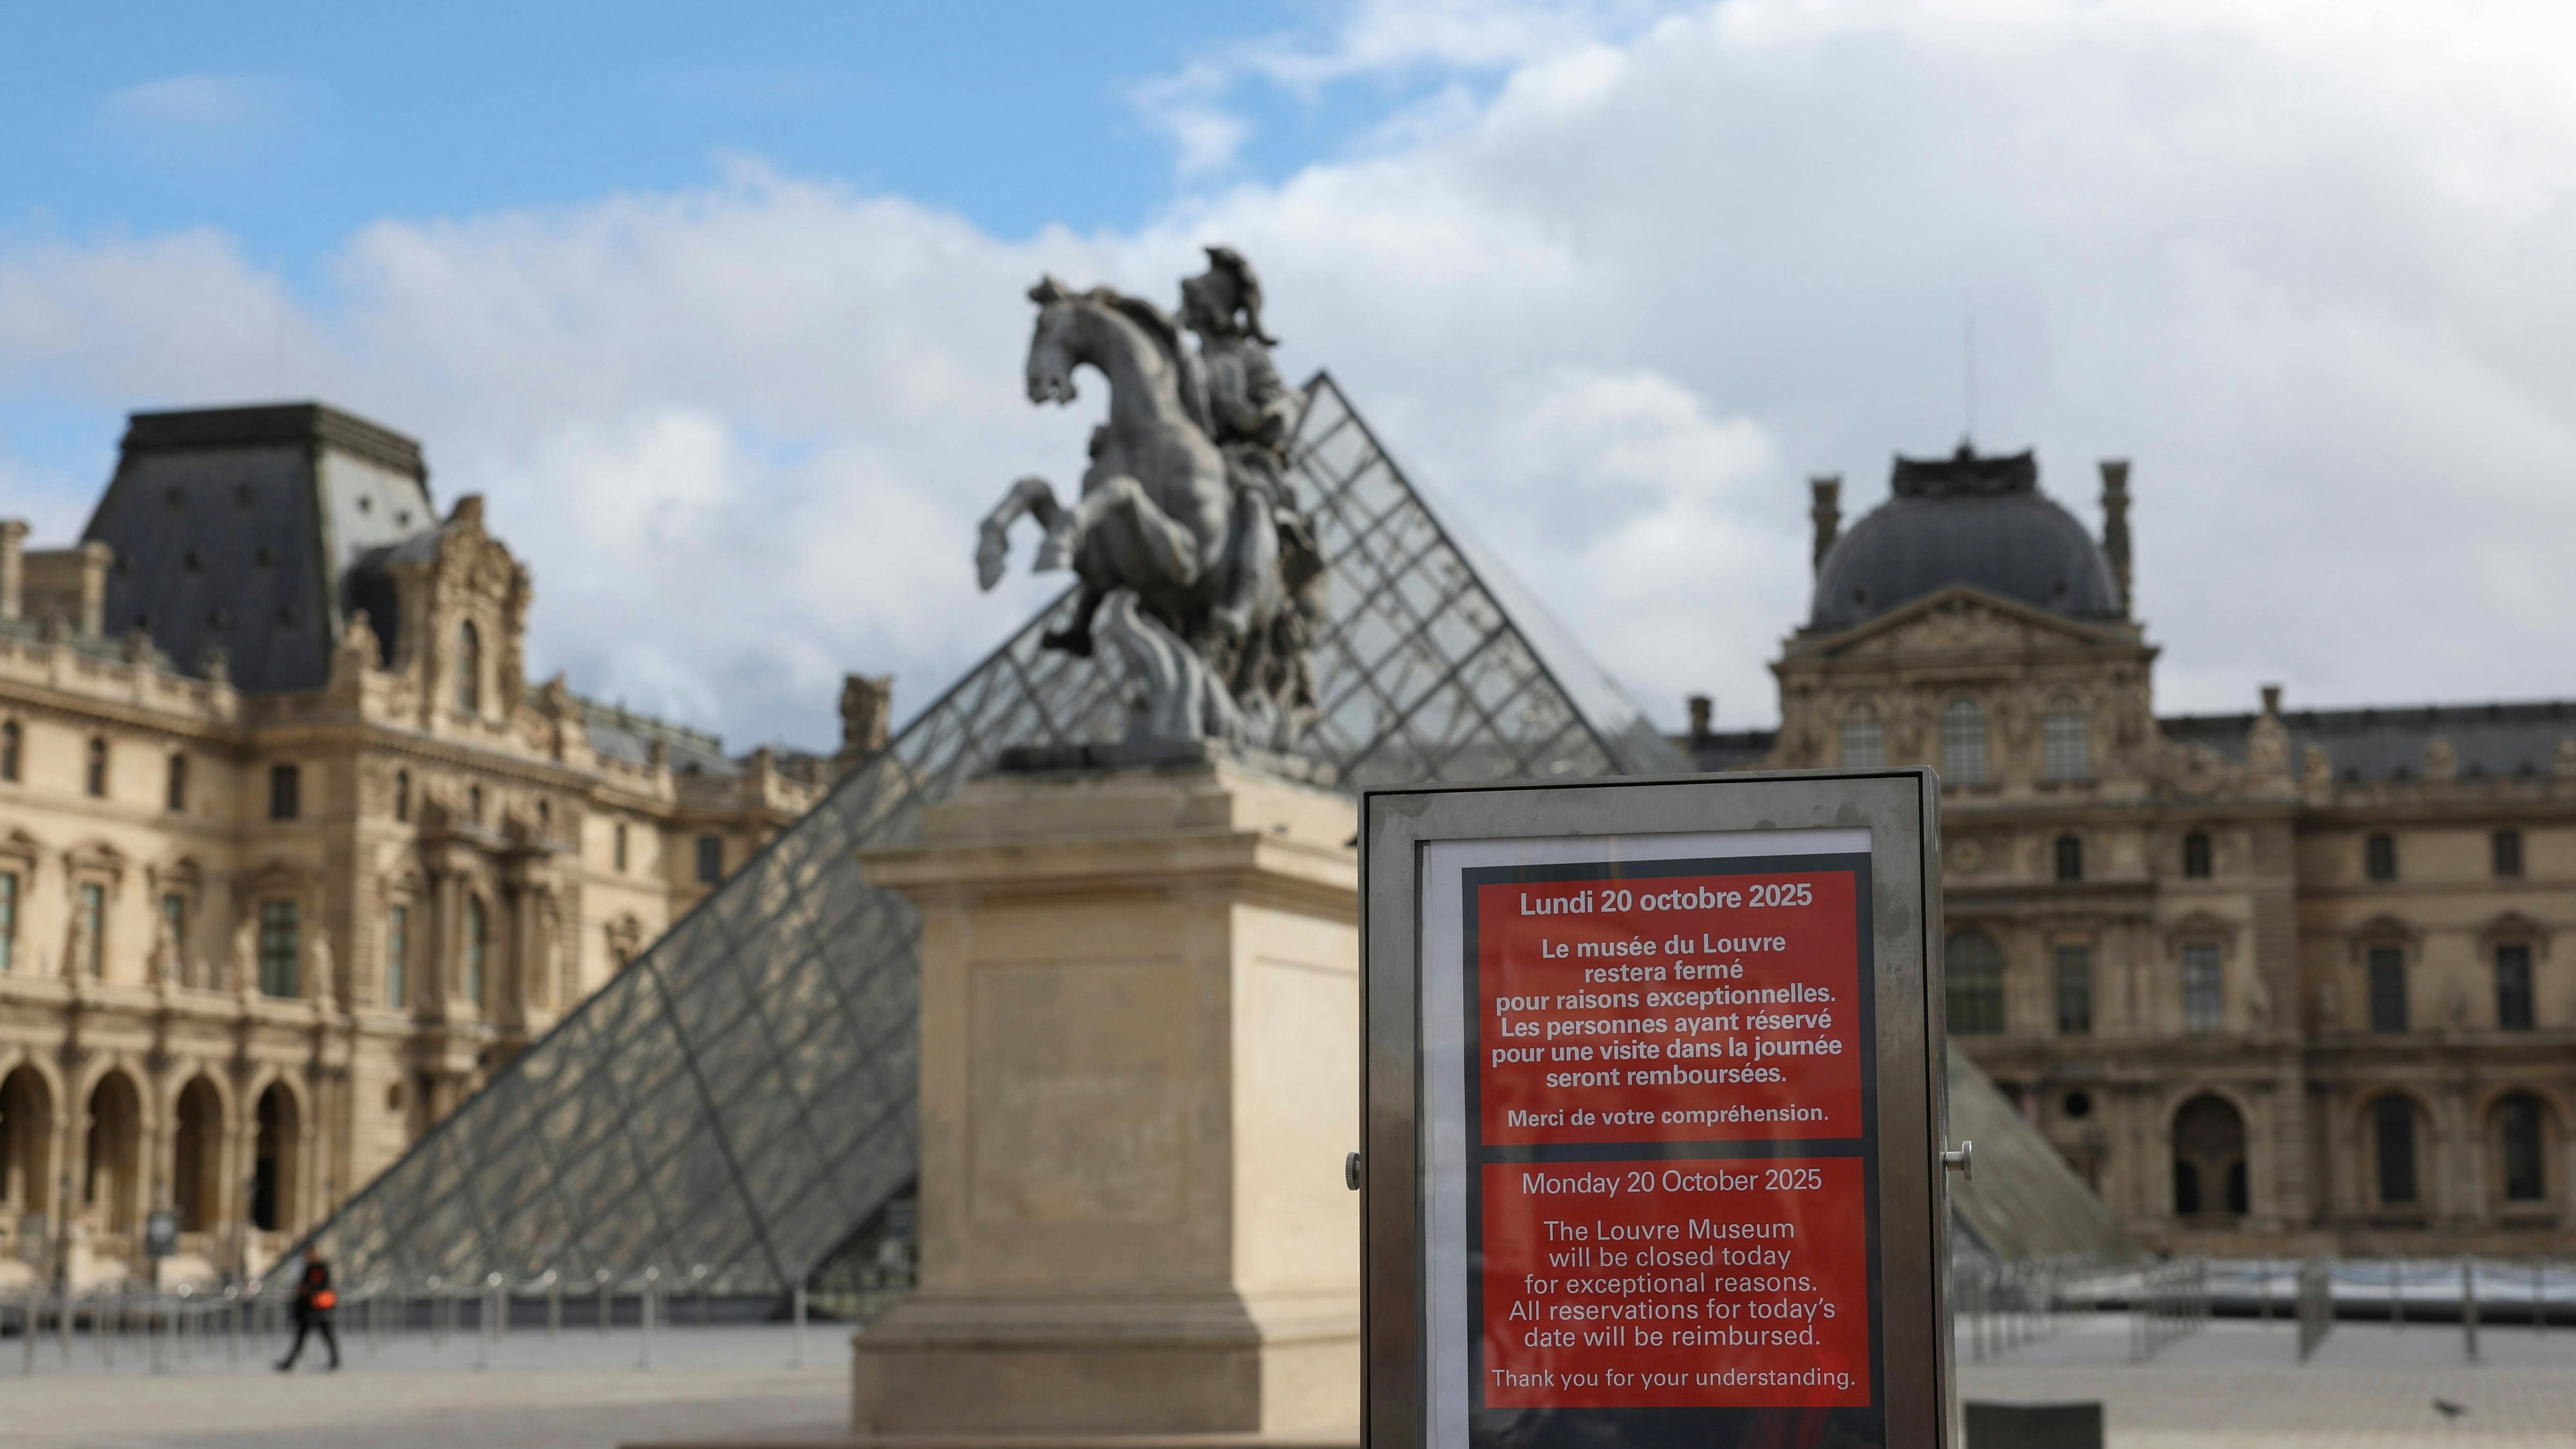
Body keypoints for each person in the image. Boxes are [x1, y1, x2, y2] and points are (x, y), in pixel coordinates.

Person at [275, 1245, 341, 1372]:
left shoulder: (319, 1268)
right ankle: (289, 1362)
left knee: (325, 1336)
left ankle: (334, 1361)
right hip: (309, 1310)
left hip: (317, 1309)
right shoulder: (309, 1268)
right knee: (303, 1337)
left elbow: (322, 1285)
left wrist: (308, 1290)